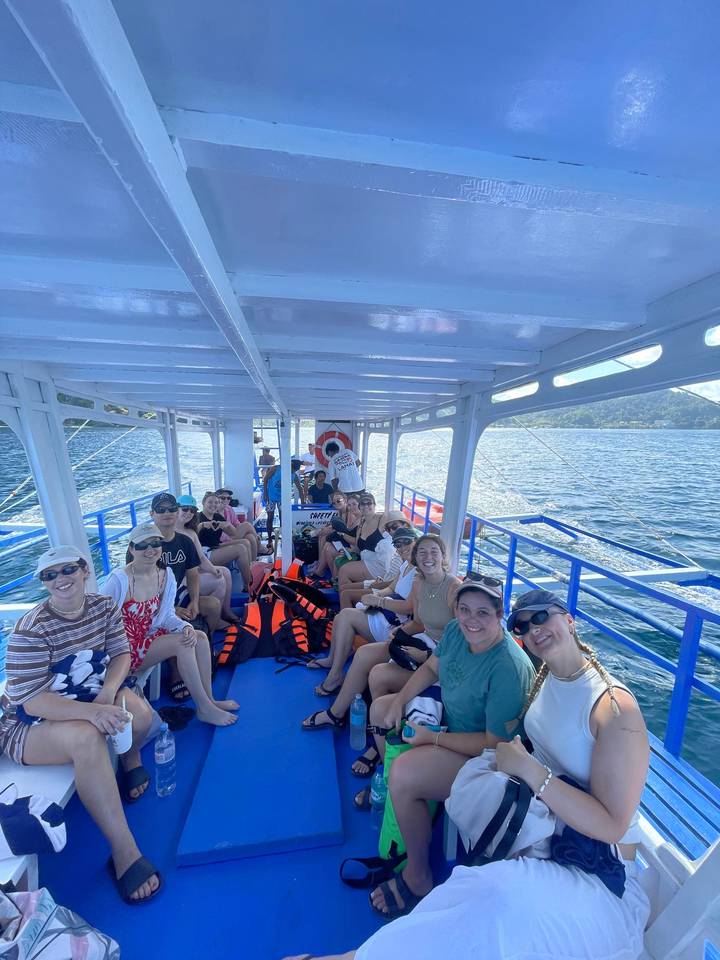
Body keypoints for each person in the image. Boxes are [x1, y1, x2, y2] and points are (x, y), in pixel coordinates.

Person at [284, 588, 650, 960]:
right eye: (524, 624)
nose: (533, 629)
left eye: (543, 616)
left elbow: (613, 826)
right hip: (544, 824)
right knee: (468, 889)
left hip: (599, 871)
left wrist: (529, 769)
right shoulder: (549, 676)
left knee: (492, 905)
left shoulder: (614, 709)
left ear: (569, 620)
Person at [367, 575, 536, 918]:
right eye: (464, 609)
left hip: (490, 759)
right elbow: (431, 667)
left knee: (404, 772)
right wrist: (400, 700)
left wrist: (432, 739)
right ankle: (405, 805)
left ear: (500, 614)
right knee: (380, 709)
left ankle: (418, 878)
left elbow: (495, 744)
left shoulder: (507, 666)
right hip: (452, 725)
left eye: (483, 613)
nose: (472, 620)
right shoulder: (458, 633)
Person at [0, 546, 161, 904]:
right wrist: (94, 714)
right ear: (43, 583)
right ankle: (125, 852)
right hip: (31, 723)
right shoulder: (31, 630)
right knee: (88, 739)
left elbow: (121, 653)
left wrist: (106, 695)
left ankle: (130, 763)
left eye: (68, 569)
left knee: (142, 716)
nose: (61, 580)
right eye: (50, 575)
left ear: (85, 571)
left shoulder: (103, 607)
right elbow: (31, 701)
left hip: (88, 695)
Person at [303, 534, 458, 779]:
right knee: (365, 653)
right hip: (423, 642)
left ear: (443, 556)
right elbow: (418, 622)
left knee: (378, 675)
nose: (428, 557)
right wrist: (398, 634)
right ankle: (337, 713)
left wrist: (426, 654)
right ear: (416, 558)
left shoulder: (454, 589)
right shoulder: (419, 583)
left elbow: (461, 640)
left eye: (434, 552)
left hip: (442, 657)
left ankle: (381, 739)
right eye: (423, 553)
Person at [100, 524, 238, 727]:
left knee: (197, 636)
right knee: (182, 643)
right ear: (131, 549)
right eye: (142, 545)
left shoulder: (165, 575)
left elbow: (165, 617)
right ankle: (203, 709)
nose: (150, 550)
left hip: (149, 637)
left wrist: (185, 626)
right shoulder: (119, 581)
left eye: (155, 543)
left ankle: (210, 699)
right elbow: (101, 622)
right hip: (124, 649)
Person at [302, 526, 419, 703]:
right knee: (342, 616)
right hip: (388, 613)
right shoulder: (405, 564)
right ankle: (332, 660)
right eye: (398, 544)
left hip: (397, 624)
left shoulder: (419, 572)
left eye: (407, 542)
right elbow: (391, 588)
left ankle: (335, 675)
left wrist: (380, 601)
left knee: (347, 615)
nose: (402, 548)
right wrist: (376, 594)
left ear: (416, 542)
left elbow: (409, 608)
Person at [149, 491, 222, 701]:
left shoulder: (184, 541)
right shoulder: (146, 545)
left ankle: (208, 647)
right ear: (152, 513)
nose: (167, 513)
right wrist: (170, 610)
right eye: (161, 510)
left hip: (177, 595)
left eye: (171, 508)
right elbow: (143, 588)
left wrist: (195, 601)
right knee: (173, 625)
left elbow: (192, 576)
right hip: (155, 605)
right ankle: (176, 673)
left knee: (213, 606)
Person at [175, 495, 240, 625]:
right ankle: (214, 620)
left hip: (192, 573)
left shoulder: (190, 532)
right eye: (185, 509)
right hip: (182, 580)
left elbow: (201, 557)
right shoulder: (171, 532)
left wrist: (212, 569)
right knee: (219, 581)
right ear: (176, 509)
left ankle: (224, 611)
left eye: (192, 511)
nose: (189, 513)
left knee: (224, 572)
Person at [338, 511, 412, 610]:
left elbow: (393, 585)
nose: (392, 531)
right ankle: (351, 614)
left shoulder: (405, 554)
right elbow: (391, 578)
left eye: (394, 527)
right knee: (343, 587)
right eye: (388, 529)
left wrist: (374, 586)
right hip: (381, 582)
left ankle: (349, 617)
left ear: (405, 525)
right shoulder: (397, 550)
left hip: (384, 588)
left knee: (345, 594)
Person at [336, 493, 397, 605]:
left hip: (380, 564)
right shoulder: (361, 523)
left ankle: (348, 604)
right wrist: (348, 551)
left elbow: (396, 526)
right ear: (360, 507)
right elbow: (358, 548)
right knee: (341, 564)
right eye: (362, 504)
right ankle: (351, 602)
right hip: (366, 561)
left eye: (369, 503)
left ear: (374, 505)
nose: (366, 506)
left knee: (344, 571)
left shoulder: (382, 519)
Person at [197, 491, 253, 589]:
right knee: (240, 549)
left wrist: (227, 525)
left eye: (216, 503)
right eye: (210, 502)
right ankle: (248, 586)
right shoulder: (198, 517)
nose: (213, 505)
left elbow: (233, 534)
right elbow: (192, 535)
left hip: (215, 546)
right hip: (204, 553)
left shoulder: (217, 516)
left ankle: (248, 572)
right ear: (203, 503)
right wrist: (202, 526)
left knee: (244, 543)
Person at [314, 490, 361, 579]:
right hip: (348, 543)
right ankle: (328, 572)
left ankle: (327, 573)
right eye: (334, 502)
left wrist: (339, 533)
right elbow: (343, 529)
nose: (351, 507)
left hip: (353, 548)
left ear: (345, 500)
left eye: (338, 501)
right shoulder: (341, 513)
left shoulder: (352, 516)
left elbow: (350, 536)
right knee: (324, 538)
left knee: (327, 543)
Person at [215, 487, 268, 558]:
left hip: (232, 535)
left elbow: (236, 523)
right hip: (221, 540)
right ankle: (260, 547)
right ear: (216, 499)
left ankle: (252, 563)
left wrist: (242, 531)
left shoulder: (228, 509)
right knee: (247, 525)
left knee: (251, 537)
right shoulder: (214, 512)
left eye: (228, 498)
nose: (226, 500)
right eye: (223, 498)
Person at [262, 461, 305, 545]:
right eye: (292, 470)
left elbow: (300, 488)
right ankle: (270, 538)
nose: (292, 472)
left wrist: (303, 502)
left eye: (294, 471)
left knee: (283, 518)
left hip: (283, 499)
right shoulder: (276, 469)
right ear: (290, 465)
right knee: (270, 517)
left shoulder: (294, 476)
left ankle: (283, 538)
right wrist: (265, 493)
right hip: (271, 497)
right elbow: (265, 479)